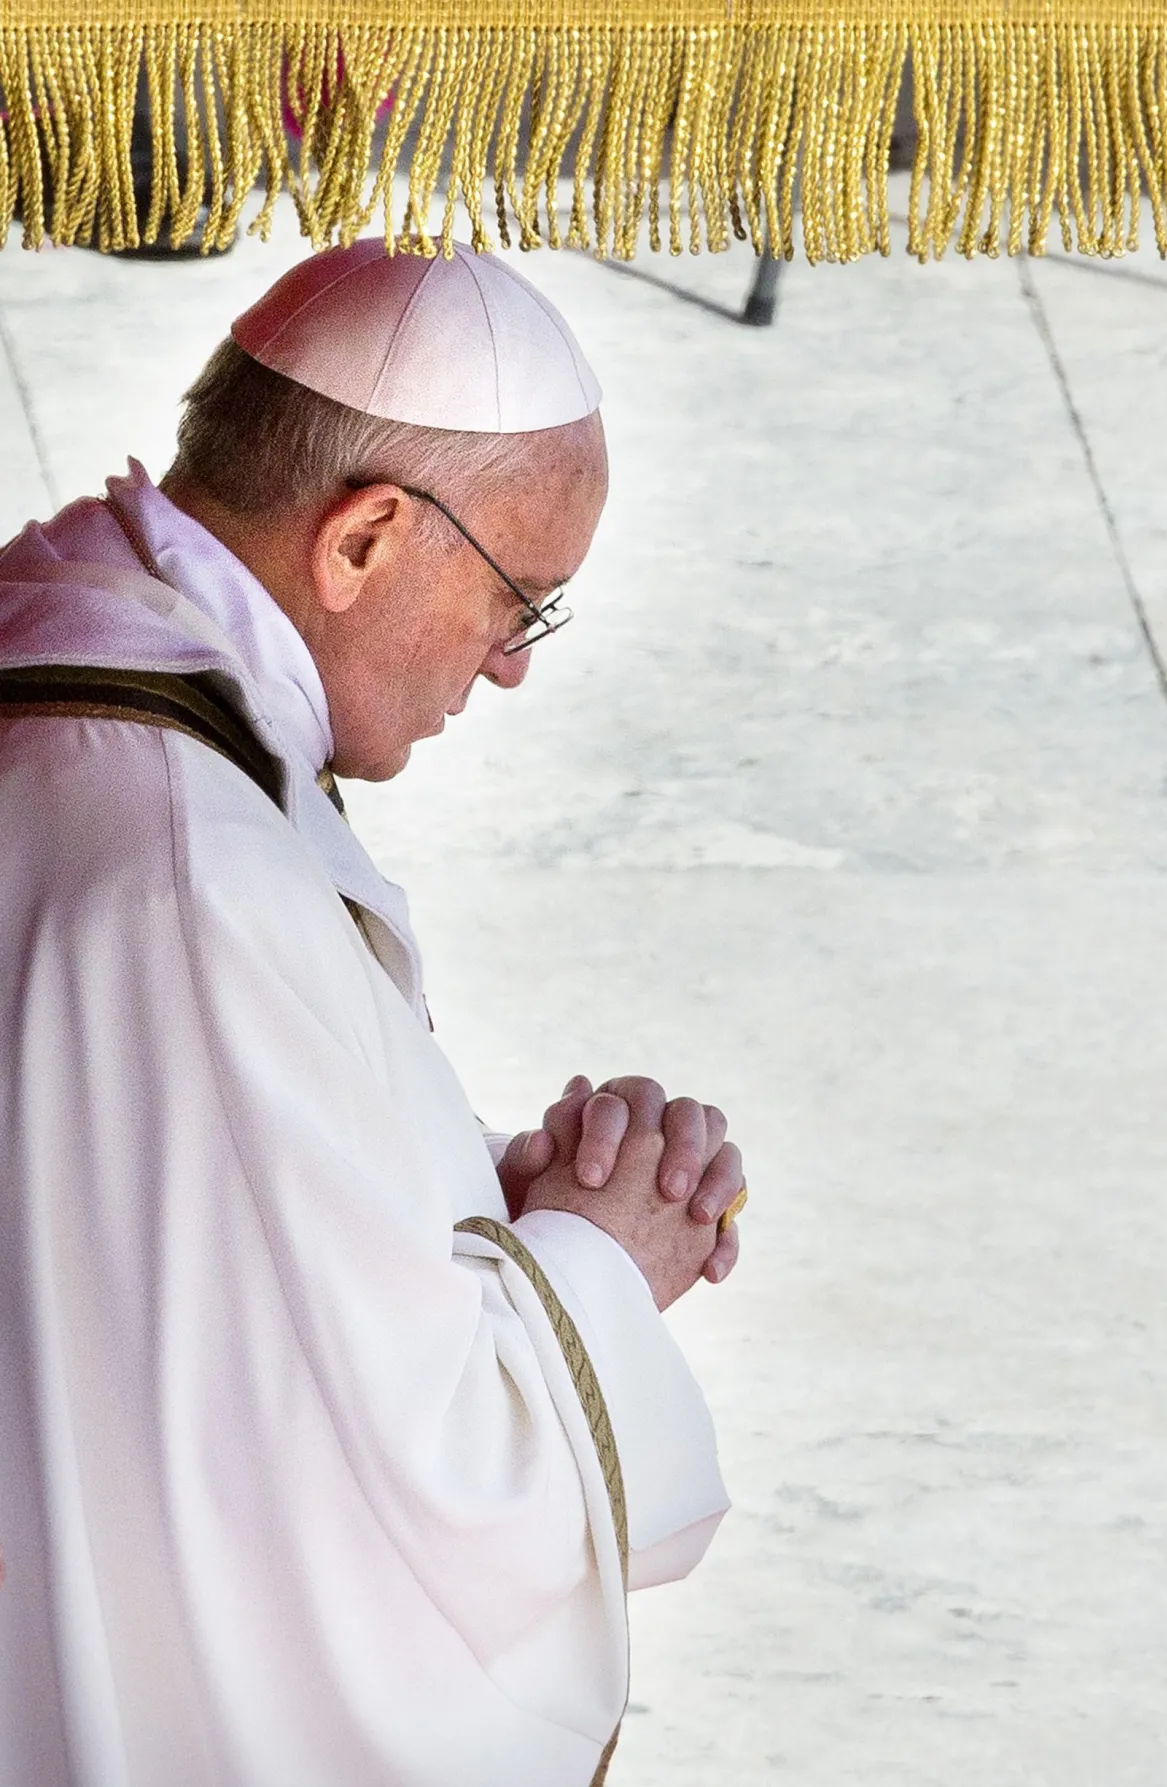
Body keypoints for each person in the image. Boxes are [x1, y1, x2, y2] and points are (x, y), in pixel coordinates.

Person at [0, 239, 745, 1787]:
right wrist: (606, 1258)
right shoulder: (194, 878)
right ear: (364, 540)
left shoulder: (68, 650)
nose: (511, 665)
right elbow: (414, 1497)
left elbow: (176, 1198)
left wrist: (494, 1187)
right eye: (519, 603)